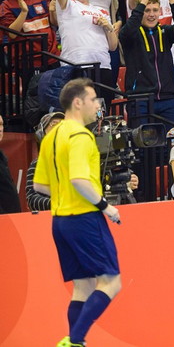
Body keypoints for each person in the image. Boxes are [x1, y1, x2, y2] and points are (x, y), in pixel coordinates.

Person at [33, 78, 122, 347]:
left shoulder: (51, 136)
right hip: (84, 217)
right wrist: (106, 206)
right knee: (111, 282)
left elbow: (40, 186)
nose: (97, 105)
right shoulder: (80, 136)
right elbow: (79, 180)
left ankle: (75, 343)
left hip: (60, 221)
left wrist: (67, 195)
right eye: (93, 99)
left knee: (83, 286)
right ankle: (75, 341)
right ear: (78, 102)